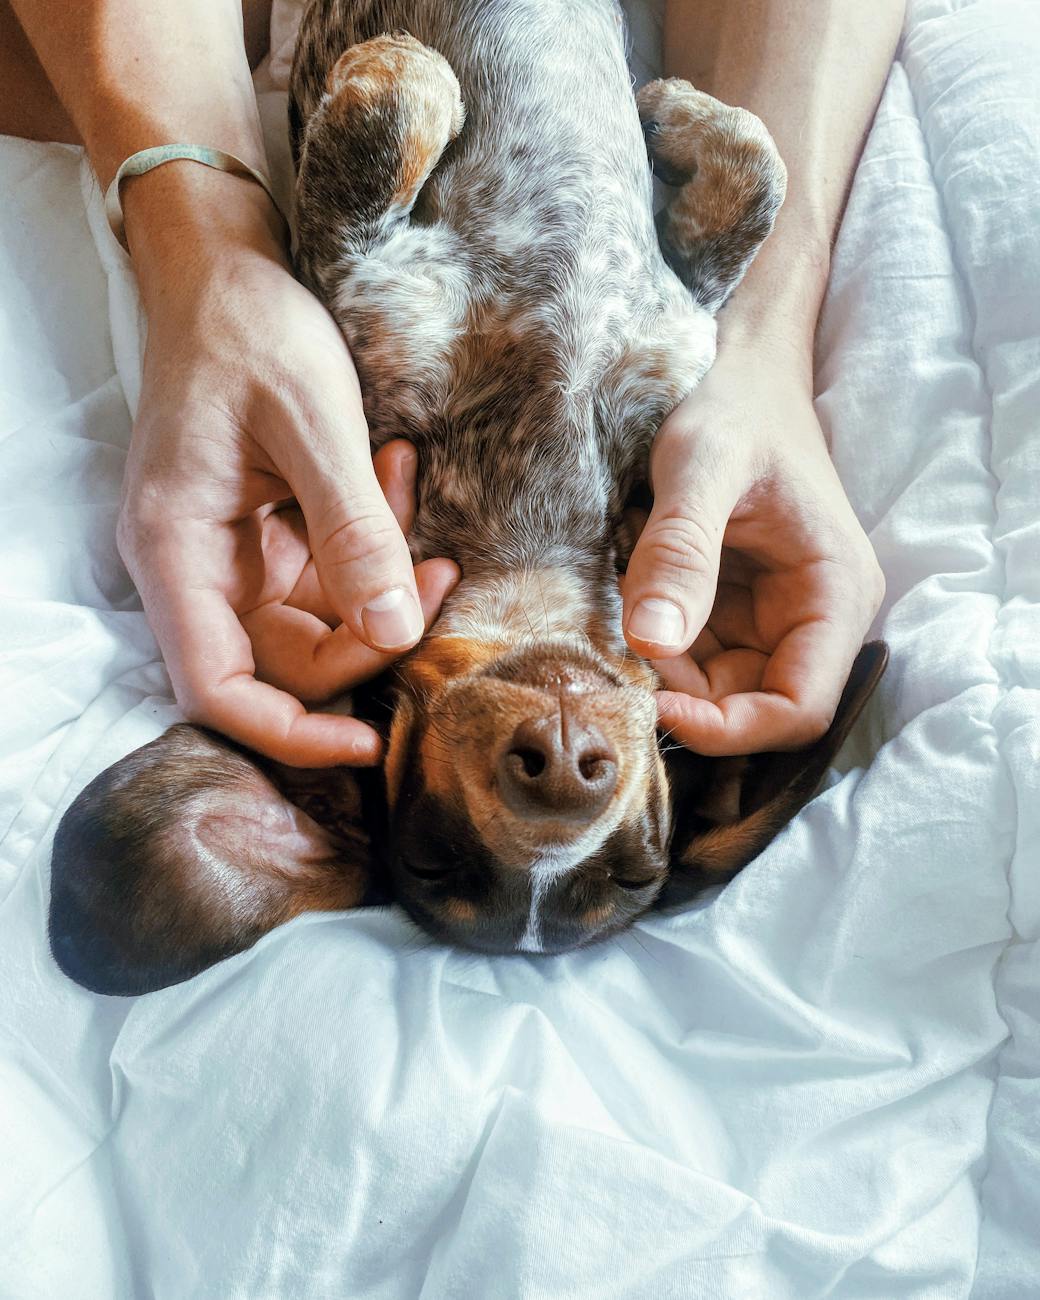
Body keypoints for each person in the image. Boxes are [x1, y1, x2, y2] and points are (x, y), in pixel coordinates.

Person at [3, 0, 902, 768]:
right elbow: (702, 263)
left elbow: (354, 225)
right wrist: (764, 339)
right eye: (627, 862)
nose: (562, 775)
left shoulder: (382, 449)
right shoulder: (654, 483)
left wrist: (208, 265)